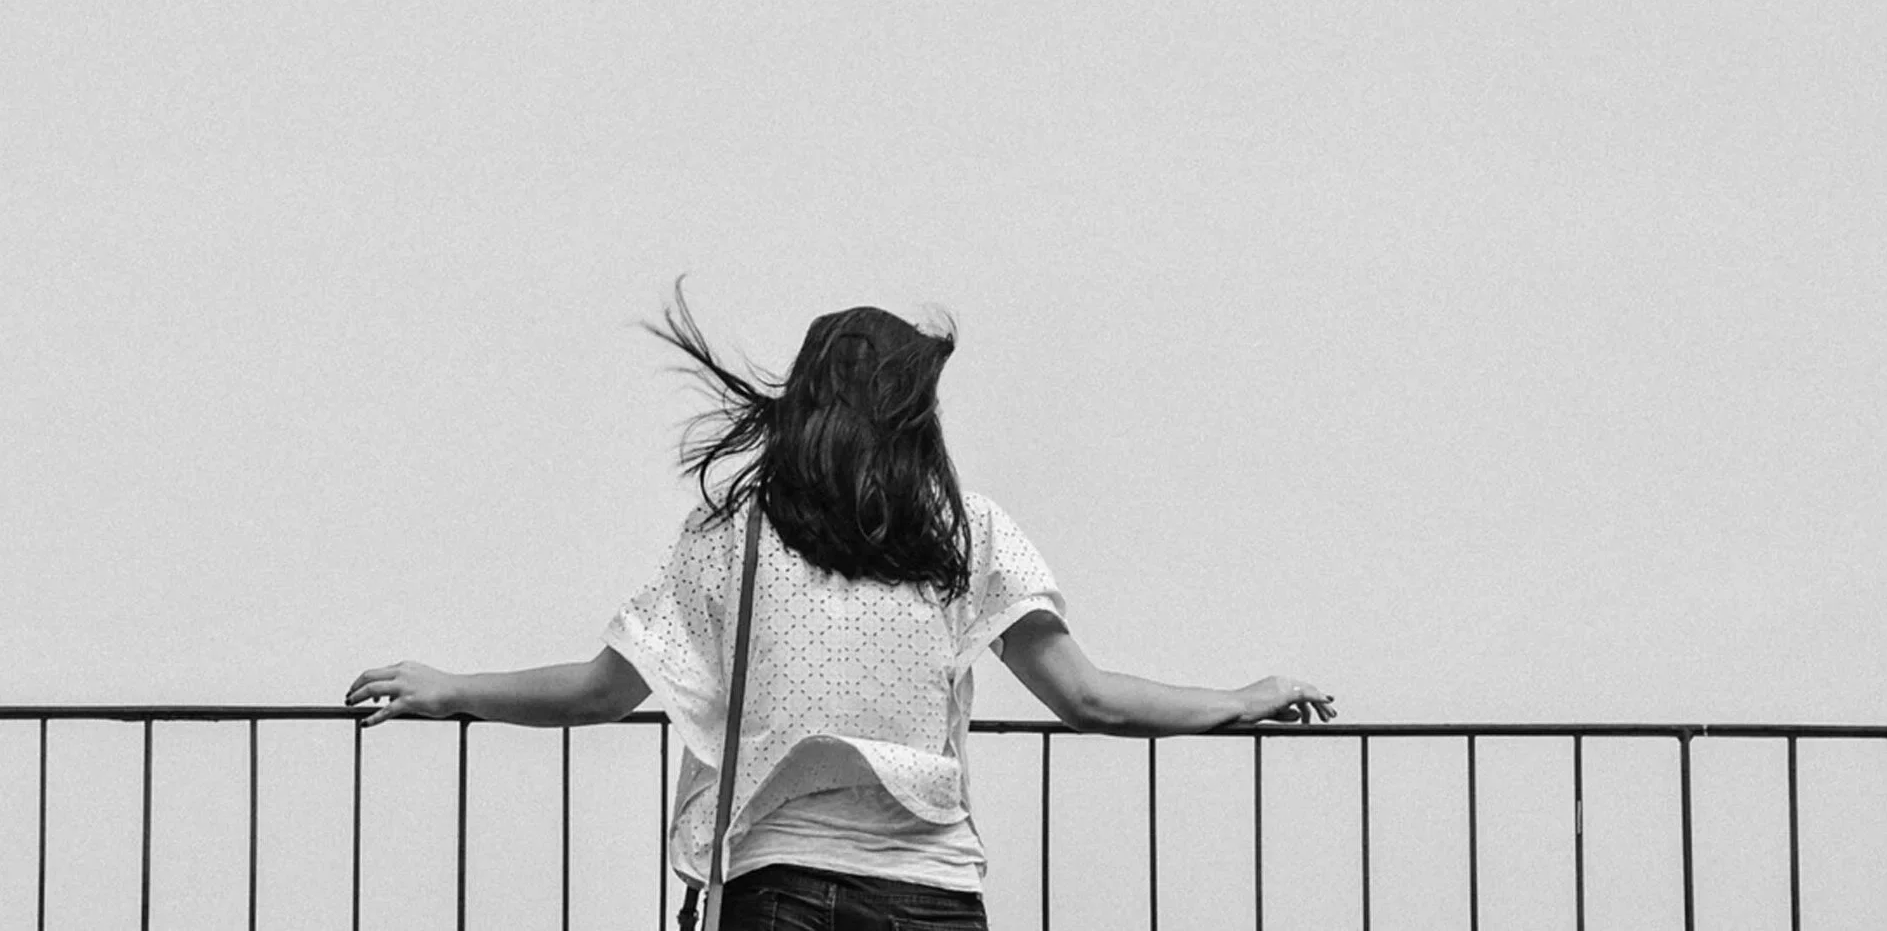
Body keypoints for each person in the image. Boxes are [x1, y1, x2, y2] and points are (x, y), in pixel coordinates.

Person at [346, 292, 1336, 931]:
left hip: (777, 889)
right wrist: (1240, 695)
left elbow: (600, 689)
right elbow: (1091, 698)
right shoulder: (966, 534)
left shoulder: (729, 537)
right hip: (933, 895)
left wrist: (451, 686)